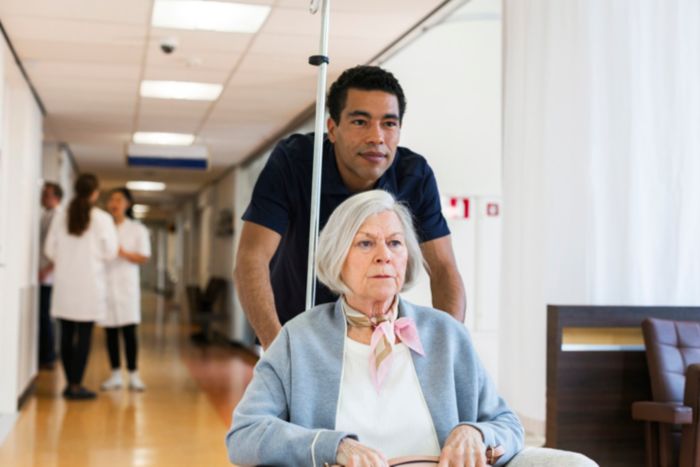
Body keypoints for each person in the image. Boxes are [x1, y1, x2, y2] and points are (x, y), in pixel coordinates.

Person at [227, 190, 520, 466]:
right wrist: (334, 447)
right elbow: (244, 434)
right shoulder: (299, 339)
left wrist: (476, 433)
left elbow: (507, 424)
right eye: (366, 243)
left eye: (395, 242)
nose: (385, 255)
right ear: (338, 258)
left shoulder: (447, 334)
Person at [235, 65, 466, 349]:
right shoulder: (295, 163)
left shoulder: (413, 176)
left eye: (389, 124)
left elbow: (444, 268)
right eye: (360, 122)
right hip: (294, 332)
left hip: (376, 340)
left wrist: (450, 351)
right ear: (332, 129)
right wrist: (277, 350)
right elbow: (251, 257)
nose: (376, 137)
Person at [44, 174, 118, 400]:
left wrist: (66, 261)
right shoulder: (102, 219)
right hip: (90, 285)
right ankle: (76, 385)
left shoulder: (61, 216)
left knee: (66, 335)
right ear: (95, 193)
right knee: (84, 336)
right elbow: (111, 252)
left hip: (66, 284)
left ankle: (70, 384)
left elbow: (49, 250)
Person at [100, 188, 151, 392]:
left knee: (129, 332)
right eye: (111, 199)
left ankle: (133, 374)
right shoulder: (102, 227)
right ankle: (114, 375)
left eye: (119, 199)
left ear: (127, 204)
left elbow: (143, 257)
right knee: (110, 331)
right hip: (106, 284)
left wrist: (122, 252)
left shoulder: (137, 229)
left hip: (127, 285)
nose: (114, 203)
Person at [38, 181, 63, 369]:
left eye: (46, 194)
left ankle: (48, 356)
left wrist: (46, 270)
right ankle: (45, 355)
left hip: (50, 276)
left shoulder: (59, 217)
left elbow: (59, 249)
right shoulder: (45, 215)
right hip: (43, 274)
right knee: (43, 316)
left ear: (56, 198)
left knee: (46, 317)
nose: (42, 197)